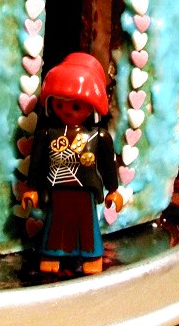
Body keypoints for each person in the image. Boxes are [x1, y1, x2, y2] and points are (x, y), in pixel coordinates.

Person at [22, 52, 123, 274]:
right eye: (60, 105)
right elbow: (37, 162)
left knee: (87, 223)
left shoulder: (99, 137)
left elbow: (108, 165)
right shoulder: (47, 134)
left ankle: (91, 255)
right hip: (57, 189)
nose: (67, 110)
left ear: (92, 106)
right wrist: (32, 188)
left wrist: (113, 190)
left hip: (86, 190)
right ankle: (52, 253)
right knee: (56, 223)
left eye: (76, 106)